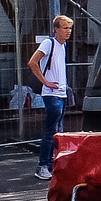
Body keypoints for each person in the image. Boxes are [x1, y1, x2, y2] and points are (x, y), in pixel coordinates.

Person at [28, 15, 73, 181]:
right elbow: (33, 62)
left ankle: (54, 163)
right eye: (65, 28)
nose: (68, 31)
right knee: (51, 131)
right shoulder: (49, 43)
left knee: (57, 131)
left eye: (69, 28)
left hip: (61, 94)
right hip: (52, 95)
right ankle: (43, 165)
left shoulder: (63, 45)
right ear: (57, 29)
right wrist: (45, 82)